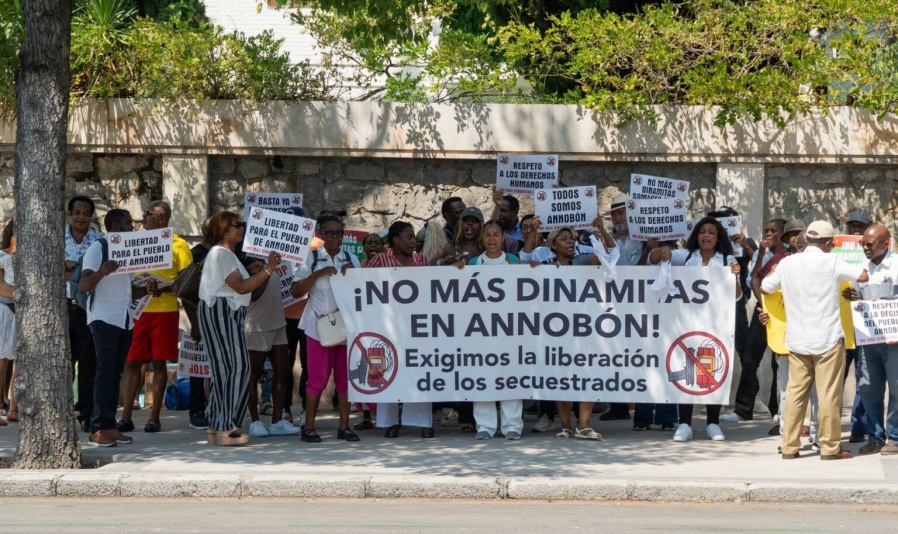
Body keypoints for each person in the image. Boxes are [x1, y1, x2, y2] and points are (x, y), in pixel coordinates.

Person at [762, 220, 868, 460]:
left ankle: (789, 447)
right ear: (828, 243)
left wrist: (775, 270)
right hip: (828, 339)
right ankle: (830, 447)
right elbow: (862, 275)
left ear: (807, 240)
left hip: (797, 340)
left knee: (795, 395)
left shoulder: (787, 263)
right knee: (828, 395)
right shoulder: (832, 261)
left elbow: (766, 287)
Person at [649, 217, 742, 442]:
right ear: (696, 236)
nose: (706, 235)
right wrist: (662, 251)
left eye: (711, 232)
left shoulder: (727, 260)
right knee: (686, 371)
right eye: (702, 232)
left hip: (716, 325)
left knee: (712, 371)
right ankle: (685, 424)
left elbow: (737, 296)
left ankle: (712, 423)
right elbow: (653, 259)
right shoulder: (685, 256)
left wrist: (735, 277)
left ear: (718, 237)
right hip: (687, 323)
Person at [198, 211, 281, 446]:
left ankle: (218, 424)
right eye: (237, 225)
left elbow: (245, 288)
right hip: (222, 311)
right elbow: (242, 287)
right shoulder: (222, 253)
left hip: (225, 311)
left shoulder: (225, 254)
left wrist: (259, 272)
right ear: (224, 230)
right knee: (237, 368)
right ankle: (226, 425)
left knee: (226, 369)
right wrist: (269, 269)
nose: (242, 228)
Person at [79, 209, 160, 447]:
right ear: (115, 225)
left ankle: (109, 425)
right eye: (127, 223)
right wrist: (103, 271)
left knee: (115, 374)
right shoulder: (99, 247)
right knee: (105, 373)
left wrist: (146, 290)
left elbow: (128, 290)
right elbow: (83, 284)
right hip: (103, 318)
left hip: (124, 318)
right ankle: (97, 428)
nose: (132, 227)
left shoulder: (127, 250)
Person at [118, 201, 193, 434]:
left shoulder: (179, 245)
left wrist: (163, 288)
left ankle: (154, 417)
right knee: (132, 362)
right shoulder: (134, 242)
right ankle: (126, 416)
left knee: (159, 362)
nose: (144, 217)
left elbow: (188, 281)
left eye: (148, 214)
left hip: (164, 311)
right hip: (136, 310)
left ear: (162, 218)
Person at [292, 214, 361, 443]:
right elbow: (296, 291)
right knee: (317, 379)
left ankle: (344, 426)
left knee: (345, 378)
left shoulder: (351, 258)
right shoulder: (311, 258)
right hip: (318, 327)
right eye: (330, 232)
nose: (335, 237)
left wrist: (355, 275)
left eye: (339, 233)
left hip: (346, 326)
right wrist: (317, 274)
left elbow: (363, 292)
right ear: (320, 233)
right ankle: (309, 427)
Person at [531, 224, 604, 440]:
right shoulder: (545, 266)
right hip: (556, 331)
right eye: (564, 238)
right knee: (561, 376)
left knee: (586, 374)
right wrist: (533, 269)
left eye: (572, 238)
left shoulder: (581, 261)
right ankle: (566, 426)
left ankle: (584, 425)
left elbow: (601, 259)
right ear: (553, 245)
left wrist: (600, 234)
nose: (570, 241)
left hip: (583, 329)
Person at [456, 220, 524, 440]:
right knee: (483, 376)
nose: (492, 239)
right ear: (482, 238)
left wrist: (532, 268)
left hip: (509, 329)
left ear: (503, 238)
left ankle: (512, 425)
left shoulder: (513, 261)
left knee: (510, 376)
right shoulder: (474, 263)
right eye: (488, 235)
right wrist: (457, 271)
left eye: (496, 235)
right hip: (481, 331)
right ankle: (484, 425)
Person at [367, 220, 435, 438]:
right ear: (396, 240)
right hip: (387, 326)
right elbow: (365, 287)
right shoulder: (379, 261)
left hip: (417, 325)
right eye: (409, 237)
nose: (414, 241)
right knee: (389, 370)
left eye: (414, 237)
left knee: (419, 369)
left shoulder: (422, 260)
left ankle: (422, 421)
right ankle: (390, 422)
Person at [723, 218, 788, 423]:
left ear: (783, 233)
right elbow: (753, 278)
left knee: (778, 362)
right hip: (762, 310)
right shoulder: (763, 253)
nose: (768, 234)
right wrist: (760, 252)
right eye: (766, 230)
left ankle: (777, 410)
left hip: (781, 312)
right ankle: (743, 410)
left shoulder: (789, 255)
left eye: (773, 231)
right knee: (751, 358)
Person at [844, 224, 898, 455]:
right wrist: (853, 297)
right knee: (868, 389)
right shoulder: (861, 268)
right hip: (868, 340)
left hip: (894, 343)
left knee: (896, 389)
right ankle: (876, 437)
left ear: (886, 244)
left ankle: (894, 438)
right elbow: (858, 298)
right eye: (862, 243)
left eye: (869, 243)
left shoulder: (896, 266)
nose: (865, 247)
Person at [245, 259, 301, 438]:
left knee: (282, 373)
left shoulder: (280, 260)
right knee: (252, 375)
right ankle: (255, 421)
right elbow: (252, 295)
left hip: (279, 324)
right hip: (257, 325)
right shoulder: (248, 262)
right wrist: (267, 270)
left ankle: (277, 421)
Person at [64, 196, 102, 432]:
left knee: (89, 364)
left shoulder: (99, 241)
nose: (81, 217)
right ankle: (62, 413)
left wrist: (70, 267)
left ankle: (87, 414)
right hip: (61, 308)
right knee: (63, 363)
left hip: (88, 308)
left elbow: (97, 273)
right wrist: (81, 271)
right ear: (69, 214)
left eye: (86, 213)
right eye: (77, 212)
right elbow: (50, 269)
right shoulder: (55, 238)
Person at [843, 208, 873, 444]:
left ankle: (858, 428)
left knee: (863, 378)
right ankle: (829, 426)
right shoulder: (835, 254)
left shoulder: (877, 258)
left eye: (860, 226)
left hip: (864, 325)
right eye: (852, 225)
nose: (856, 229)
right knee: (835, 378)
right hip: (840, 325)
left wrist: (861, 296)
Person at [186, 217, 213, 430]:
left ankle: (216, 407)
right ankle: (197, 410)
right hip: (200, 316)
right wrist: (194, 323)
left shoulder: (229, 252)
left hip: (222, 317)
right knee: (199, 367)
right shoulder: (195, 254)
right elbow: (186, 290)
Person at [0, 220, 16, 425]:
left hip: (21, 312)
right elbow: (1, 287)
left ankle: (14, 407)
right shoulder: (3, 256)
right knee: (1, 362)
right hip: (4, 310)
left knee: (19, 362)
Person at [419, 196, 466, 260]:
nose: (464, 215)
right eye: (459, 212)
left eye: (465, 211)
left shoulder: (470, 234)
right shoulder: (433, 236)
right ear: (447, 215)